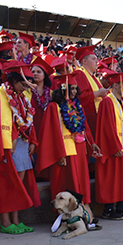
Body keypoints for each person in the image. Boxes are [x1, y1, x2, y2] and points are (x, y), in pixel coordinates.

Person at [0, 61, 41, 234]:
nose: (25, 87)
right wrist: (12, 136)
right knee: (7, 184)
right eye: (23, 83)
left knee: (18, 184)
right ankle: (6, 222)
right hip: (6, 145)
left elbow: (27, 121)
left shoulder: (23, 98)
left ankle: (16, 220)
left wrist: (33, 141)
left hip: (21, 144)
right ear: (14, 80)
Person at [36, 73, 101, 208]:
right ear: (63, 89)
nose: (74, 92)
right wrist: (58, 153)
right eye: (71, 89)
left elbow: (85, 127)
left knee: (81, 182)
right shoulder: (54, 107)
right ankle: (65, 214)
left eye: (75, 89)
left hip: (79, 149)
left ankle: (83, 211)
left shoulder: (77, 106)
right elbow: (50, 133)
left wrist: (92, 143)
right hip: (64, 151)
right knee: (65, 183)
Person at [95, 72, 123, 220]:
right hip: (114, 148)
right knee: (112, 178)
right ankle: (108, 209)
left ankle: (120, 207)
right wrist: (114, 146)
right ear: (116, 85)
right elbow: (106, 127)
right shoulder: (107, 102)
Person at [74, 45, 110, 138]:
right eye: (93, 59)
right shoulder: (80, 74)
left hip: (99, 118)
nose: (97, 61)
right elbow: (80, 96)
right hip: (88, 119)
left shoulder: (94, 78)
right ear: (85, 61)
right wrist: (98, 93)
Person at [30, 56, 54, 140]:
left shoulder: (51, 94)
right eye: (33, 72)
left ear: (44, 75)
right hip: (31, 128)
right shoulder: (27, 91)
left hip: (46, 128)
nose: (35, 74)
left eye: (38, 72)